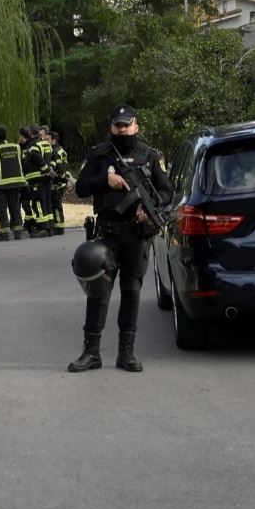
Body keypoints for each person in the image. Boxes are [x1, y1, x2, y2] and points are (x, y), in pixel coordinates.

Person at [69, 104, 171, 372]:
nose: (123, 130)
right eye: (118, 126)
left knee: (132, 293)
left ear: (136, 126)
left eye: (127, 125)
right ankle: (91, 353)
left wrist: (149, 207)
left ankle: (126, 353)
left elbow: (167, 191)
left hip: (137, 236)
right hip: (107, 235)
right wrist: (105, 180)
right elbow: (80, 188)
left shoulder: (149, 156)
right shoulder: (99, 155)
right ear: (111, 127)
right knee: (98, 293)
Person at [0, 124, 27, 241]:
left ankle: (4, 234)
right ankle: (18, 232)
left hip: (0, 186)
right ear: (7, 135)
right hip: (16, 183)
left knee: (1, 209)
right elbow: (22, 162)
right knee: (15, 208)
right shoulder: (16, 147)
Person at [21, 125, 54, 237]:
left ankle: (42, 228)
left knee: (38, 203)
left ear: (31, 133)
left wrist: (45, 169)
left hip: (36, 178)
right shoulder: (46, 144)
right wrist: (49, 171)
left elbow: (36, 157)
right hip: (46, 179)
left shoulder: (33, 145)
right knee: (47, 201)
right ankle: (49, 226)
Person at [43, 126, 70, 235]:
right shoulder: (60, 150)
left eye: (48, 140)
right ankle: (57, 225)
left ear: (54, 139)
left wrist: (57, 178)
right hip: (60, 181)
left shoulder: (56, 151)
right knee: (55, 204)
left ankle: (59, 226)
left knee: (56, 205)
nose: (46, 141)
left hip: (58, 183)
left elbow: (59, 168)